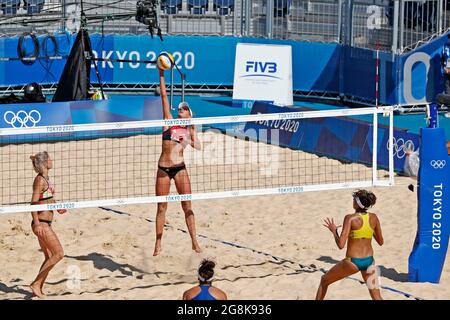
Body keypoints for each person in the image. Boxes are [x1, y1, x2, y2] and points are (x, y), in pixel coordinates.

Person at [153, 67, 202, 256]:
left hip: (180, 168)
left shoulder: (190, 130)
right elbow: (164, 97)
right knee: (161, 207)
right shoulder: (169, 121)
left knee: (187, 206)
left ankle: (194, 241)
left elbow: (198, 146)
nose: (180, 110)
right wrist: (161, 74)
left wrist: (189, 136)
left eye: (184, 109)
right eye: (180, 108)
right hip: (163, 169)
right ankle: (158, 243)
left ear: (189, 114)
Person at [316, 189, 384, 300]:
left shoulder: (350, 218)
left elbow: (341, 245)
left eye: (354, 199)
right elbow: (381, 242)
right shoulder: (374, 218)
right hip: (369, 261)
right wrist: (368, 231)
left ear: (357, 203)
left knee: (324, 280)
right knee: (377, 297)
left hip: (353, 262)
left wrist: (334, 231)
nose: (352, 201)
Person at [29, 151, 66, 298]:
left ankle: (38, 288)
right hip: (41, 223)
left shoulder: (46, 178)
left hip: (46, 223)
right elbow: (33, 203)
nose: (52, 160)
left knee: (49, 256)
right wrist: (37, 224)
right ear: (45, 162)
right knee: (59, 254)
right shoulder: (39, 180)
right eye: (50, 158)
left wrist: (57, 207)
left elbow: (47, 198)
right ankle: (36, 284)